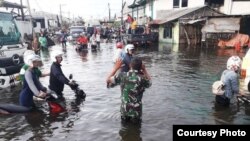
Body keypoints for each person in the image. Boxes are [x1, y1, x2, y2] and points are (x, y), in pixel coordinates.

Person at [107, 57, 152, 122]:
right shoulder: (142, 78)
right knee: (136, 129)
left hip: (124, 110)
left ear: (130, 65)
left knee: (124, 129)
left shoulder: (122, 76)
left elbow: (108, 81)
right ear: (140, 67)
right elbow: (150, 83)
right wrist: (144, 70)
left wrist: (116, 68)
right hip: (136, 112)